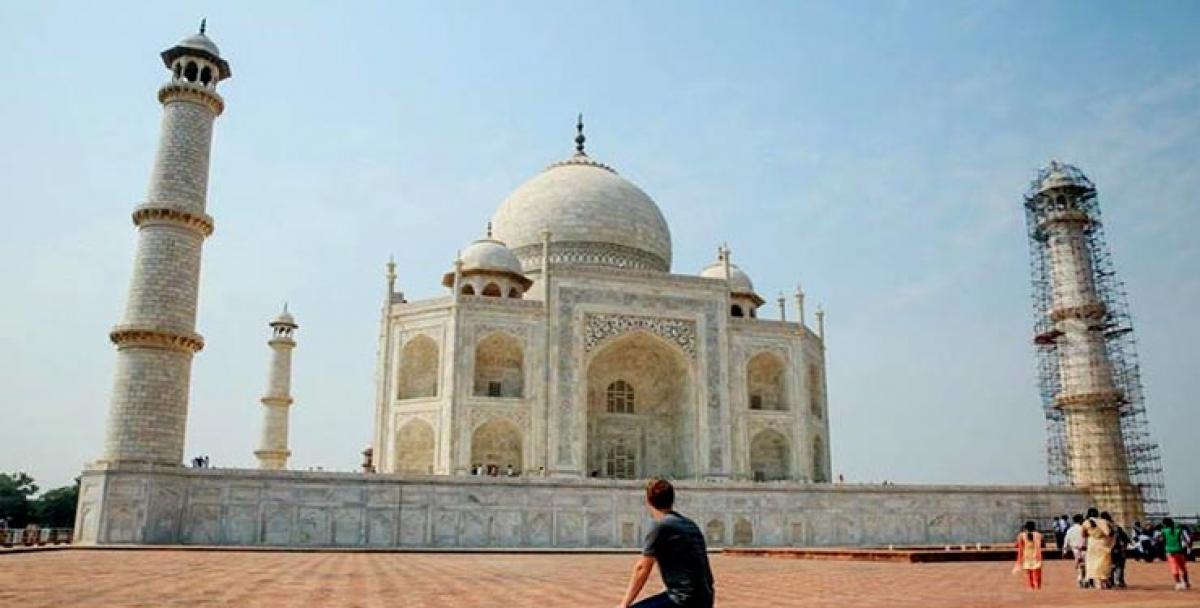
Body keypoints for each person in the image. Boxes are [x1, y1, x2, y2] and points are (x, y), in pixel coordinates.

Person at [616, 478, 714, 608]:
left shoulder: (661, 526)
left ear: (648, 501)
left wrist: (624, 604)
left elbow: (642, 568)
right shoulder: (689, 523)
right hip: (705, 598)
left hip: (683, 600)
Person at [1083, 508, 1115, 589]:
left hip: (1092, 544)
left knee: (1092, 563)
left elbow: (1083, 535)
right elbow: (1110, 533)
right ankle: (1104, 579)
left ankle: (1093, 580)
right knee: (1103, 563)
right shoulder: (1103, 522)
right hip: (1103, 544)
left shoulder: (1086, 523)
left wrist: (1091, 533)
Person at [1161, 517, 1191, 590]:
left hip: (1169, 551)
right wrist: (1189, 547)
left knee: (1174, 567)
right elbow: (1187, 540)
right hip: (1179, 550)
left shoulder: (1163, 531)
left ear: (1164, 524)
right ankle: (1186, 583)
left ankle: (1178, 583)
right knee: (1183, 568)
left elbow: (1162, 540)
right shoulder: (1179, 530)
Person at [1014, 521, 1043, 590]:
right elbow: (1041, 544)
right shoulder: (1038, 535)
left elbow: (1018, 546)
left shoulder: (1021, 535)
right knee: (1037, 571)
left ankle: (1031, 585)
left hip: (1027, 554)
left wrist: (1019, 557)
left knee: (1029, 571)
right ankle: (1038, 585)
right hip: (1036, 554)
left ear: (1026, 527)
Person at [1106, 512, 1131, 589]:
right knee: (1119, 566)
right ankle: (1119, 581)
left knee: (1111, 566)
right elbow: (1126, 539)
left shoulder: (1104, 528)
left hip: (1108, 550)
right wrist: (1124, 548)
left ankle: (1111, 581)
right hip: (1118, 549)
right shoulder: (1117, 527)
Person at [1063, 513, 1088, 587]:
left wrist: (1065, 551)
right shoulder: (1084, 528)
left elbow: (1066, 540)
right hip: (1085, 549)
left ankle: (1080, 578)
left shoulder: (1070, 530)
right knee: (1086, 565)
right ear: (1080, 520)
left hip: (1076, 550)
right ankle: (1084, 580)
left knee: (1080, 565)